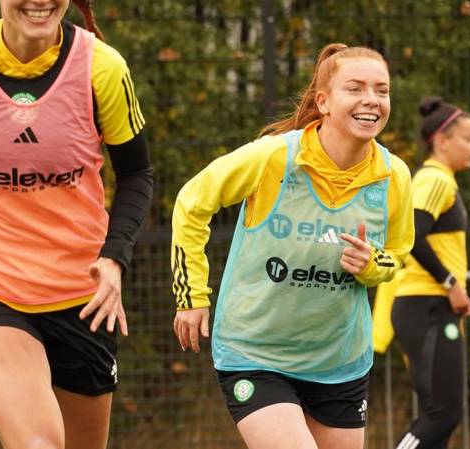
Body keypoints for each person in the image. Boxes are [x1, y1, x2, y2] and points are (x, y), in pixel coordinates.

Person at [0, 1, 153, 448]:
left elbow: (136, 174)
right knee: (38, 443)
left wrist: (114, 259)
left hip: (81, 297)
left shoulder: (102, 68)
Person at [171, 43, 414, 449]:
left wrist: (372, 264)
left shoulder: (394, 176)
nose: (371, 100)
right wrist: (191, 293)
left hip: (339, 362)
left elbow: (398, 253)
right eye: (355, 88)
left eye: (381, 90)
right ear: (324, 101)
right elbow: (192, 204)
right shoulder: (273, 159)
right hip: (256, 353)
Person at [388, 96, 470, 449]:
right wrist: (451, 283)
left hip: (429, 307)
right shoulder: (435, 180)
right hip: (426, 306)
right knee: (442, 413)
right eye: (469, 138)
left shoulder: (439, 181)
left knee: (440, 414)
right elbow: (411, 235)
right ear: (442, 141)